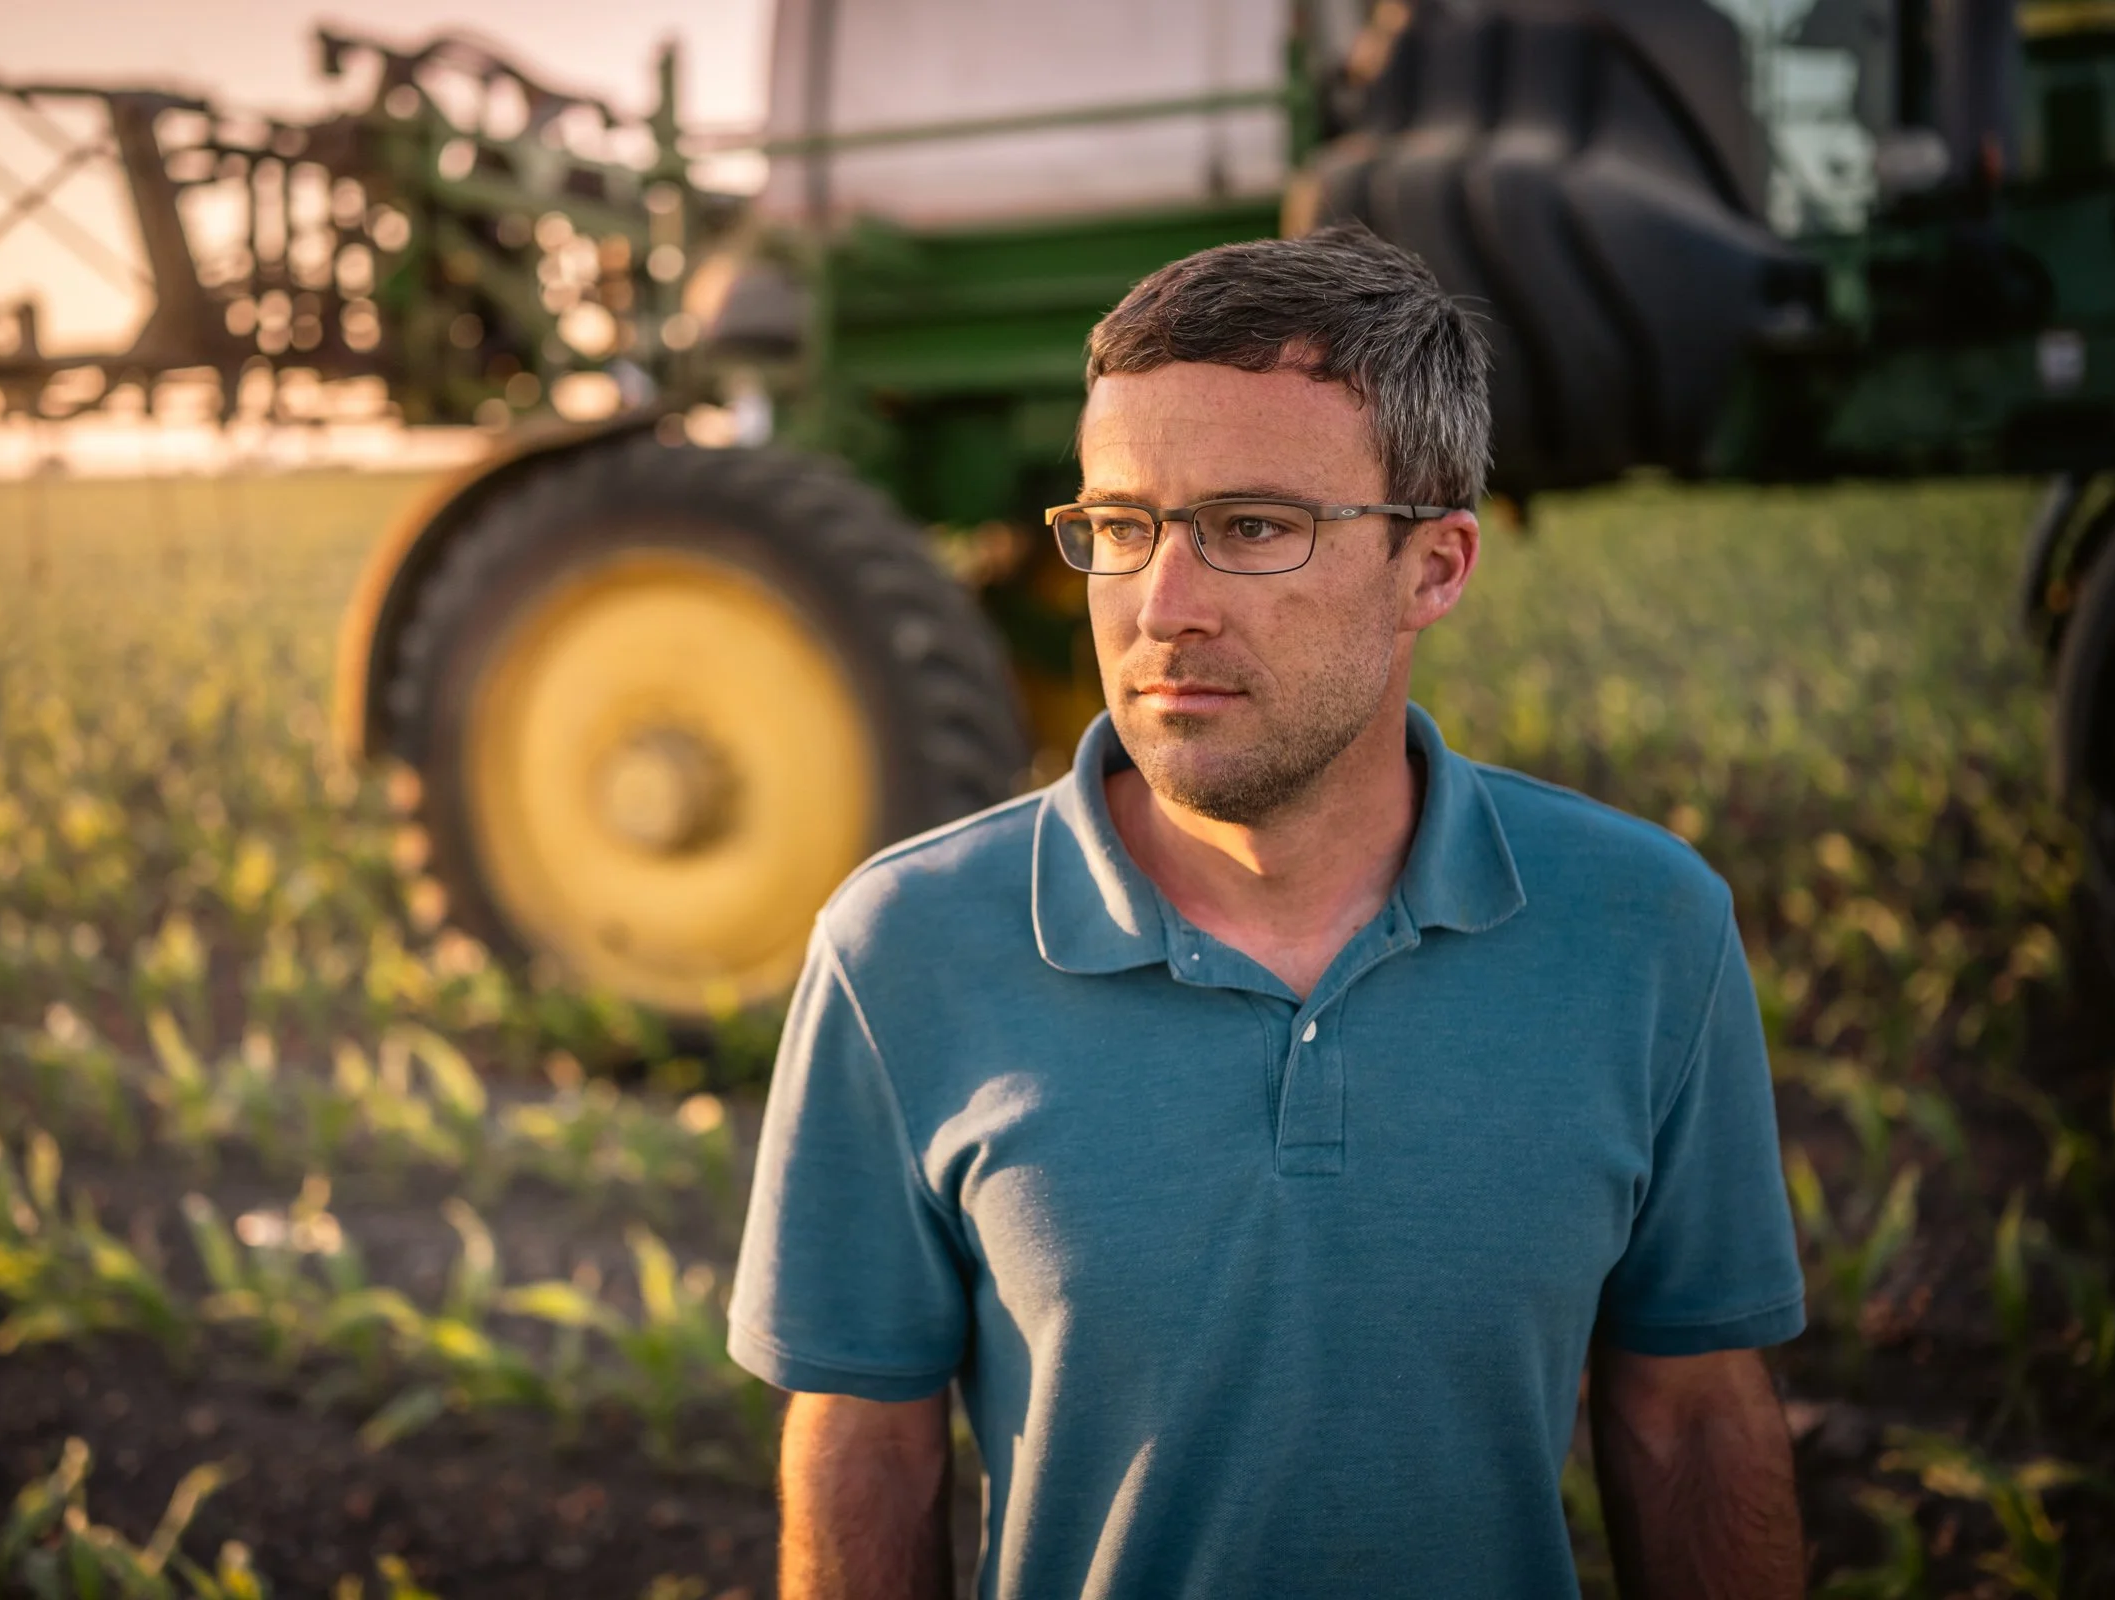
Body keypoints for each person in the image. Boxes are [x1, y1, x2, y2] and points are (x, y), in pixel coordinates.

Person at [727, 222, 1806, 1600]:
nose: (1162, 608)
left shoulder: (1644, 932)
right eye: (1122, 529)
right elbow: (866, 1450)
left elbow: (1694, 1418)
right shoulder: (906, 948)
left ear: (1435, 567)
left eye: (1251, 528)